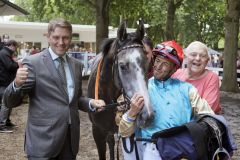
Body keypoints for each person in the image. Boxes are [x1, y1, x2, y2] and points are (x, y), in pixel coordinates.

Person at [3, 18, 105, 160]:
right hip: (42, 142)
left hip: (70, 141)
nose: (61, 42)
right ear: (48, 37)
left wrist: (90, 103)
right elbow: (9, 102)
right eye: (56, 37)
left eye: (65, 38)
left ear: (70, 38)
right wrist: (16, 84)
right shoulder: (33, 63)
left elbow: (75, 99)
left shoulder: (76, 65)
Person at [118, 40, 214, 160]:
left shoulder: (188, 90)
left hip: (183, 149)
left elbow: (210, 118)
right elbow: (123, 132)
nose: (158, 67)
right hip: (152, 149)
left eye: (165, 64)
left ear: (174, 69)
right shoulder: (141, 89)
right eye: (157, 61)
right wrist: (132, 113)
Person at [172, 41, 221, 114]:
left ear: (207, 60)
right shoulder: (176, 74)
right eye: (193, 54)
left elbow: (207, 111)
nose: (198, 58)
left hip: (199, 122)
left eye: (203, 56)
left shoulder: (212, 78)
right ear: (185, 57)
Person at [0, 40, 19, 133]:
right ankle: (1, 125)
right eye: (15, 47)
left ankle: (6, 122)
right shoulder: (4, 53)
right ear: (11, 45)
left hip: (6, 82)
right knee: (6, 103)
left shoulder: (6, 53)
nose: (16, 49)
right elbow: (10, 66)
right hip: (4, 82)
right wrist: (18, 63)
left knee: (8, 102)